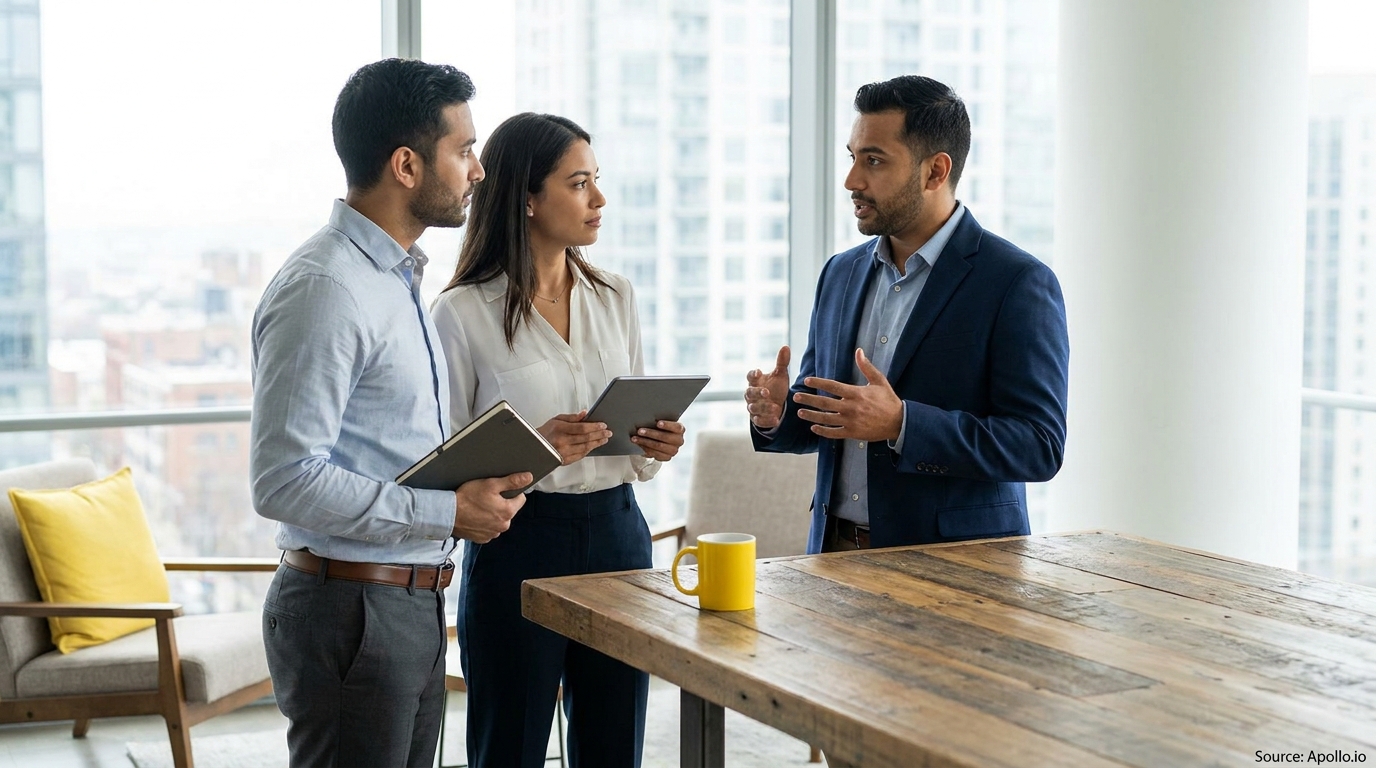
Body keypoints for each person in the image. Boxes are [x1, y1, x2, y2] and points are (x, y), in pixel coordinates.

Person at [249, 59, 529, 768]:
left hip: (408, 603)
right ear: (406, 164)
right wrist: (446, 514)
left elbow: (388, 443)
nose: (478, 171)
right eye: (463, 151)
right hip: (351, 611)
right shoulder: (327, 288)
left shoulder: (398, 280)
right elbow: (284, 479)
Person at [431, 112, 684, 768]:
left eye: (596, 181)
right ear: (527, 198)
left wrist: (653, 443)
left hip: (621, 535)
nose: (598, 200)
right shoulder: (460, 314)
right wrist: (532, 450)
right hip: (518, 544)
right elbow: (446, 468)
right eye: (579, 183)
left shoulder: (617, 297)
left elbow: (634, 447)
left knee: (614, 746)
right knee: (508, 746)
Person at [745, 74, 1069, 555]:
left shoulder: (1017, 283)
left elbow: (1038, 445)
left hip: (958, 568)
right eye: (853, 157)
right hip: (831, 556)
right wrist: (778, 415)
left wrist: (902, 424)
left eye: (873, 160)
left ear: (935, 171)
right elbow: (830, 417)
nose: (852, 180)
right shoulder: (840, 272)